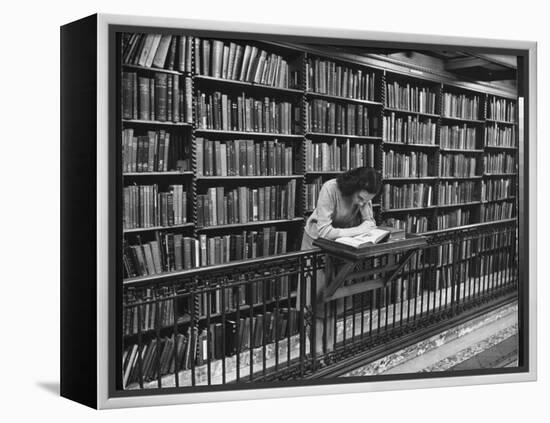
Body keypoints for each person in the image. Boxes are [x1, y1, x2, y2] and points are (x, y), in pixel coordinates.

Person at [300, 166, 381, 354]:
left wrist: (363, 227)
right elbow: (324, 232)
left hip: (341, 247)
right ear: (352, 187)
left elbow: (371, 223)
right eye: (360, 199)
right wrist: (359, 230)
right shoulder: (330, 189)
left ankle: (329, 349)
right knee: (317, 300)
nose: (362, 204)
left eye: (367, 201)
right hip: (316, 246)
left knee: (334, 300)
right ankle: (316, 352)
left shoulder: (363, 197)